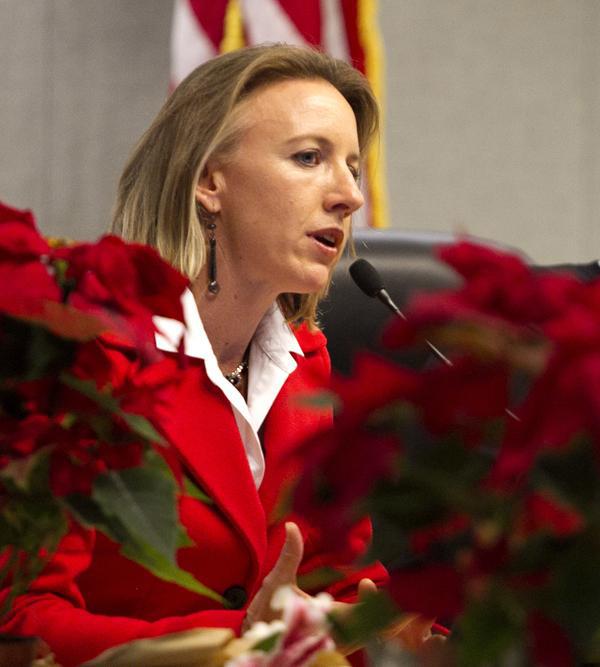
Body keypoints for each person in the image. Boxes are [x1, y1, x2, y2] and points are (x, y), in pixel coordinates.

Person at [0, 44, 387, 666]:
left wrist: (400, 635)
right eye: (309, 158)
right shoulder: (84, 355)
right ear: (209, 182)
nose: (349, 196)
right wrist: (235, 642)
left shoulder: (304, 366)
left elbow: (338, 586)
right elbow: (22, 622)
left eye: (352, 167)